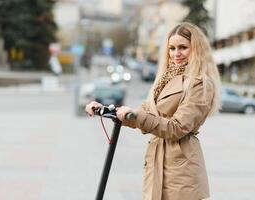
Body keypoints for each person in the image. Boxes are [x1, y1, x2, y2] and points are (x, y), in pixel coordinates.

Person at [85, 22, 221, 200]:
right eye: (172, 48)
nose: (176, 53)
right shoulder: (165, 78)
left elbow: (177, 128)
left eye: (183, 47)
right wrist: (105, 109)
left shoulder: (200, 83)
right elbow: (143, 112)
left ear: (196, 49)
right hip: (157, 162)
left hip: (181, 168)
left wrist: (137, 116)